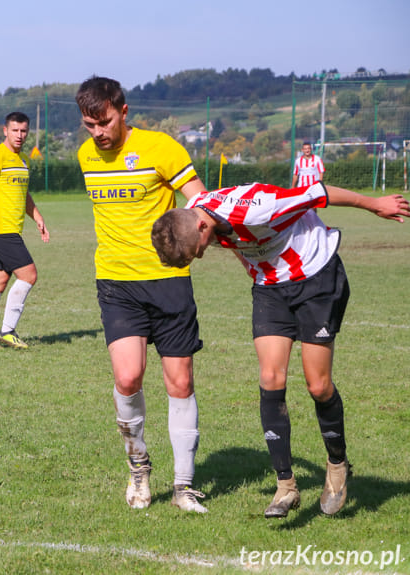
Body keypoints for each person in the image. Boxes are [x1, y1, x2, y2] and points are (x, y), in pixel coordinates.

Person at [151, 182, 409, 518]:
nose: (200, 254)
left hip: (316, 277)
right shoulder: (199, 210)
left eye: (197, 249)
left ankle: (337, 464)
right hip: (271, 287)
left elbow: (316, 192)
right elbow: (230, 238)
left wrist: (374, 203)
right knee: (270, 378)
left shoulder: (260, 207)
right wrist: (248, 263)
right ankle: (286, 486)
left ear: (202, 225)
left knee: (318, 385)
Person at [75, 76, 208, 513]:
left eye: (105, 121)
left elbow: (200, 201)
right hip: (115, 282)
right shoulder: (85, 156)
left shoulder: (162, 148)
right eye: (89, 125)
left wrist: (199, 237)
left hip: (168, 281)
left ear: (123, 111)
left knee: (180, 382)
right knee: (128, 378)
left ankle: (184, 486)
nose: (98, 132)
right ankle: (138, 466)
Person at [0, 111, 49, 349]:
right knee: (29, 275)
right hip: (1, 230)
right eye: (15, 130)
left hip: (11, 230)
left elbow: (22, 194)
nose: (20, 135)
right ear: (5, 130)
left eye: (24, 131)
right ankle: (7, 331)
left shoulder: (23, 159)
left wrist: (37, 217)